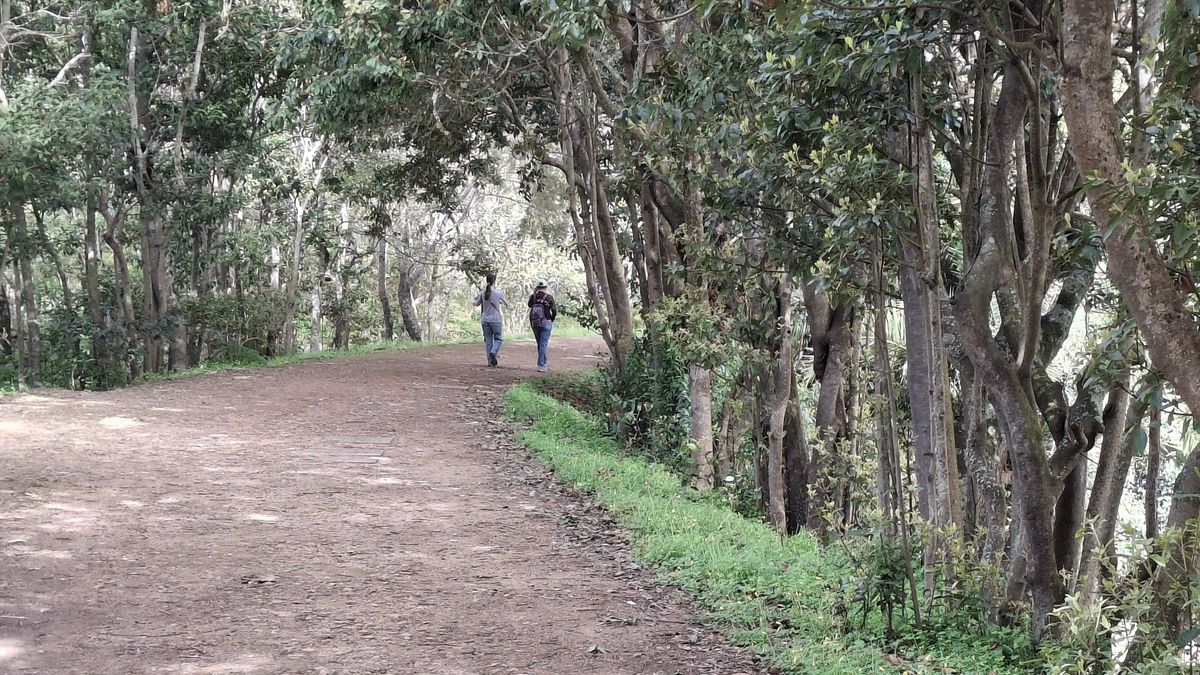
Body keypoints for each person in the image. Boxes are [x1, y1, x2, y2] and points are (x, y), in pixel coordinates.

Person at [471, 273, 506, 367]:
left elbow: (475, 303)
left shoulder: (482, 293)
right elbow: (505, 303)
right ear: (494, 281)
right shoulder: (499, 293)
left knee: (488, 341)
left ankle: (490, 362)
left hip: (485, 320)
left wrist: (473, 299)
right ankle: (493, 352)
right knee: (498, 338)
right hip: (496, 320)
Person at [527, 279, 557, 373]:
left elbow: (529, 305)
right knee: (543, 343)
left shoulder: (533, 296)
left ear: (538, 287)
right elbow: (554, 310)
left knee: (540, 343)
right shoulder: (549, 297)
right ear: (546, 287)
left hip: (535, 323)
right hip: (546, 322)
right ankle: (542, 365)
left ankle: (541, 363)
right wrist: (551, 318)